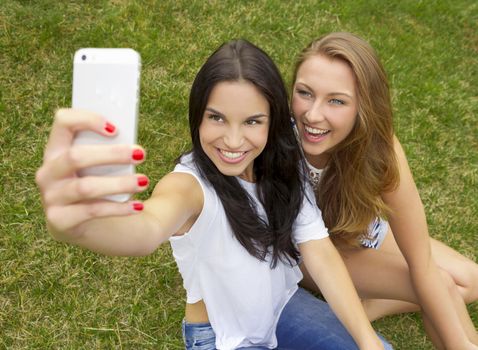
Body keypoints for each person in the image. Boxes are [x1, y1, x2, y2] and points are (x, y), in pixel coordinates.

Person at [36, 39, 391, 350]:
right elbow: (145, 231)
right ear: (198, 117)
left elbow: (321, 254)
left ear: (273, 121)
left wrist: (366, 341)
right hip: (224, 338)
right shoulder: (189, 186)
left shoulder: (283, 166)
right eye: (217, 118)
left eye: (252, 121)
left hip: (281, 307)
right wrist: (74, 227)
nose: (233, 142)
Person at [291, 32, 478, 349]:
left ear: (363, 106)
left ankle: (365, 307)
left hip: (360, 233)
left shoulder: (378, 150)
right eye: (305, 93)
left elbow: (421, 262)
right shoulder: (274, 141)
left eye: (336, 100)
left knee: (471, 280)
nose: (313, 114)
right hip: (309, 251)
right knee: (442, 286)